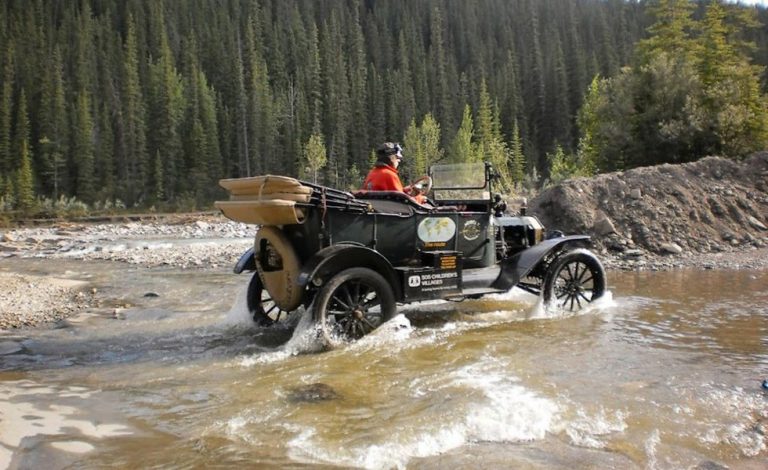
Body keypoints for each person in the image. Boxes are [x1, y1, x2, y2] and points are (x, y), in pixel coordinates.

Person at [361, 142, 427, 203]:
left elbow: (393, 193)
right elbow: (403, 201)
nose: (399, 160)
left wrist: (404, 190)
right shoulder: (389, 174)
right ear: (391, 158)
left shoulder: (372, 173)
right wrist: (419, 199)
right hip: (390, 211)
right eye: (397, 157)